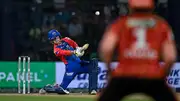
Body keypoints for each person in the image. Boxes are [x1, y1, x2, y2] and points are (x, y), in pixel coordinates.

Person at [98, 0, 177, 101]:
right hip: (152, 74)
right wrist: (163, 74)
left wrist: (110, 71)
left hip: (124, 74)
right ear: (152, 8)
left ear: (130, 7)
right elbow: (170, 57)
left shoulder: (120, 24)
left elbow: (106, 49)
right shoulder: (161, 25)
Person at [39, 29, 98, 95]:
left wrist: (78, 48)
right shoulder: (56, 50)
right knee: (61, 89)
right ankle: (46, 88)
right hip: (70, 68)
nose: (57, 40)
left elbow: (73, 43)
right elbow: (64, 52)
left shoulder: (66, 39)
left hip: (80, 64)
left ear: (59, 36)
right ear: (52, 41)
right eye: (54, 39)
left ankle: (93, 89)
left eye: (57, 37)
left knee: (93, 66)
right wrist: (74, 52)